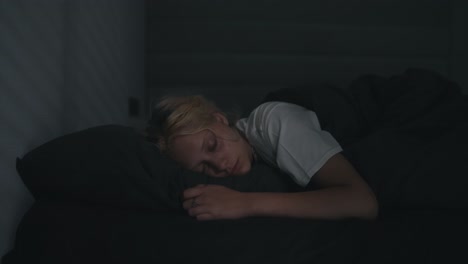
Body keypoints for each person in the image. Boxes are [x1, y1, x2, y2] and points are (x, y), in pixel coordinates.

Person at [147, 95, 378, 221]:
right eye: (204, 168)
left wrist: (245, 203)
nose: (220, 165)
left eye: (213, 145)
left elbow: (363, 202)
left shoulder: (271, 123)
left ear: (219, 119)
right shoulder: (255, 154)